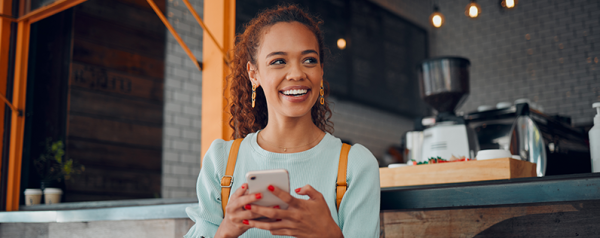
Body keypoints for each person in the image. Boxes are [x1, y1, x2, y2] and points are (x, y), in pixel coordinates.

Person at [185, 5, 380, 238]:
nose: (297, 73)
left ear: (321, 71)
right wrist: (225, 232)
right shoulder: (221, 161)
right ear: (253, 74)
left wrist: (330, 235)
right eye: (278, 61)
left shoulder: (355, 166)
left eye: (309, 60)